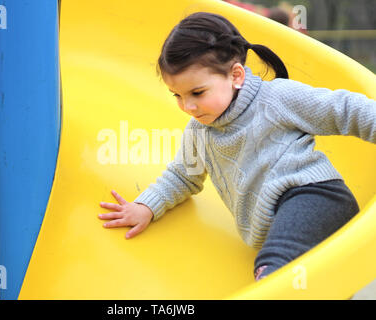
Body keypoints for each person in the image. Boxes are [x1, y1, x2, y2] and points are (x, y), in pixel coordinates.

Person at [98, 12, 375, 281]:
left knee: (272, 267)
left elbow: (345, 110)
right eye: (178, 96)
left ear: (236, 75)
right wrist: (146, 206)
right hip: (280, 232)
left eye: (197, 93)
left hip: (315, 198)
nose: (188, 106)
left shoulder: (274, 98)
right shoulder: (199, 132)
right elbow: (182, 176)